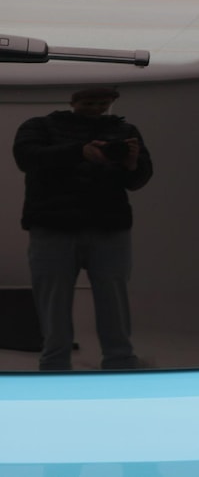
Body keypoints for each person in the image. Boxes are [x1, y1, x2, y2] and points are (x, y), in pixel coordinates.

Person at [13, 87, 153, 370]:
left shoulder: (125, 131)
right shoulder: (39, 126)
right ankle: (55, 363)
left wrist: (131, 164)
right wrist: (79, 152)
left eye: (103, 103)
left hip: (107, 224)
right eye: (89, 102)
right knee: (53, 299)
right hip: (54, 225)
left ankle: (119, 360)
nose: (96, 108)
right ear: (73, 102)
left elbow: (138, 179)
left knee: (112, 298)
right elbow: (26, 158)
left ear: (112, 103)